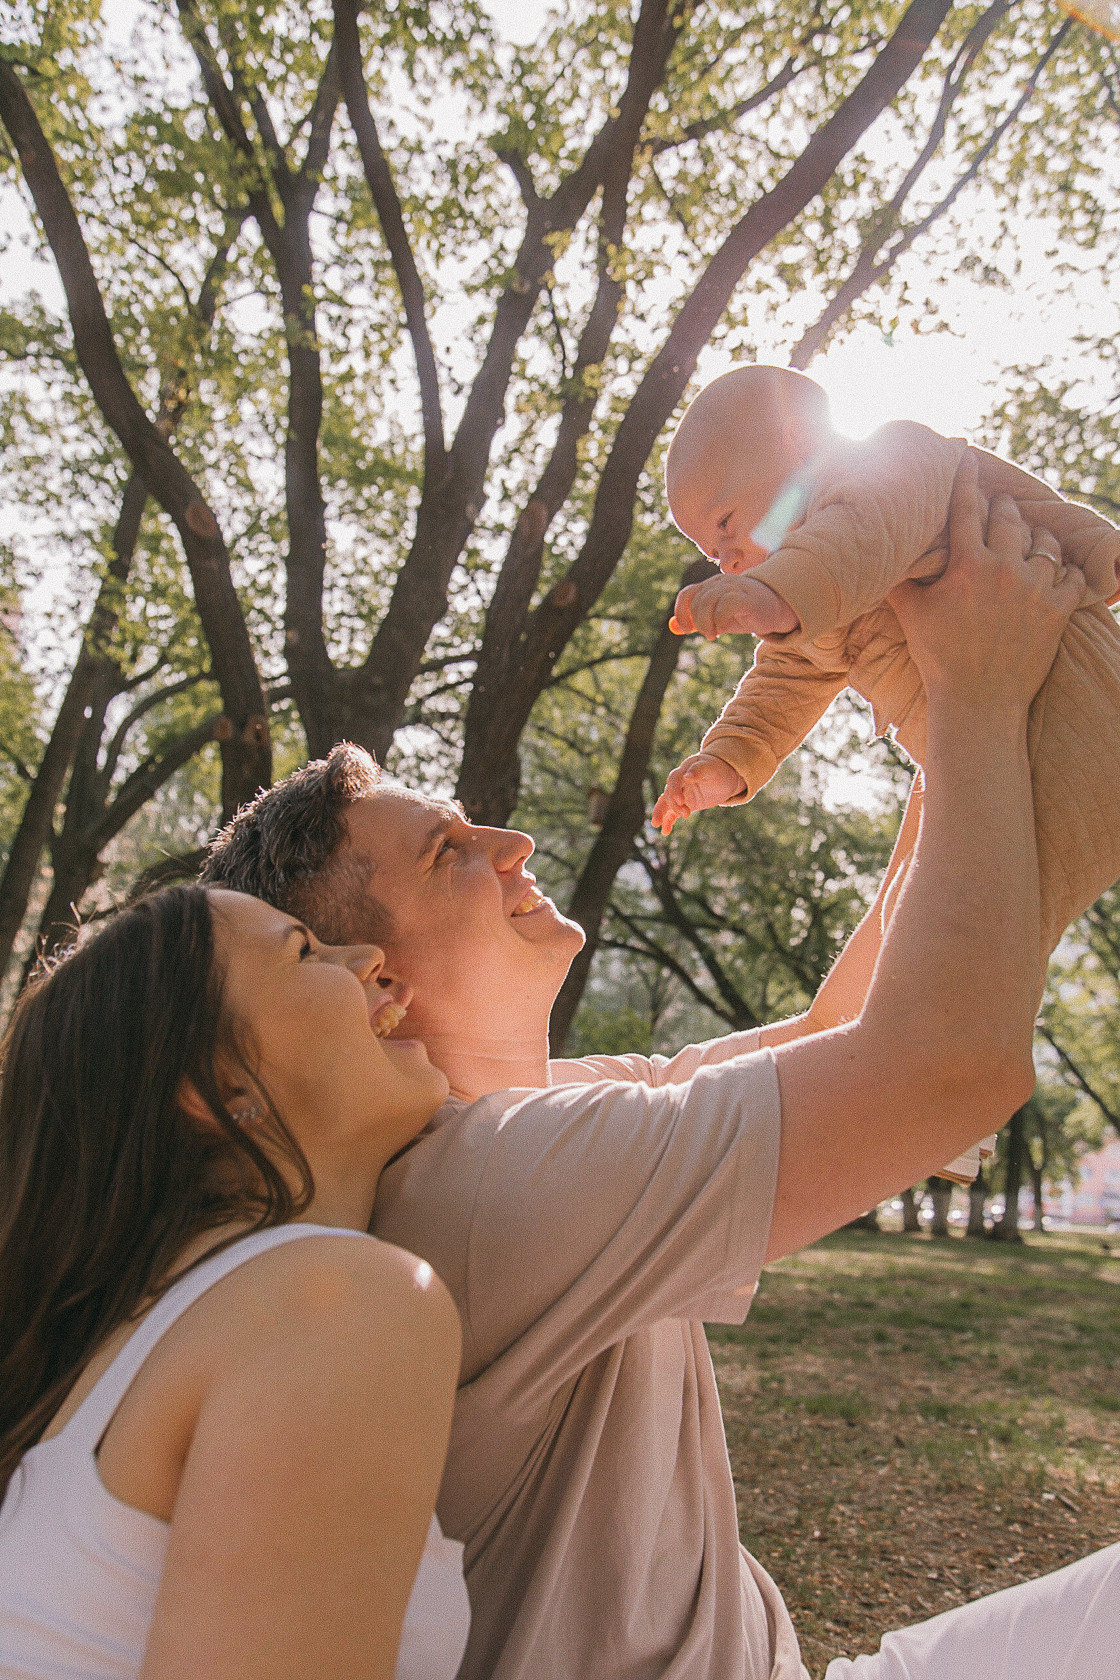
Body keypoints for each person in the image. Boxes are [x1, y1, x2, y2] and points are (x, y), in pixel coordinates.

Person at [201, 472, 1120, 1678]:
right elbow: (942, 1068)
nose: (513, 842)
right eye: (449, 851)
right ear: (377, 987)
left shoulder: (547, 1112)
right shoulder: (490, 1186)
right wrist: (979, 686)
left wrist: (949, 738)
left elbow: (848, 1024)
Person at [0, 884, 471, 1680]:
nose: (369, 958)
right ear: (220, 1091)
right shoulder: (334, 1300)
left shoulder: (124, 1340)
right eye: (304, 951)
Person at [652, 365, 1120, 961]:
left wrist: (1099, 550)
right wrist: (724, 763)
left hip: (1084, 721)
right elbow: (778, 686)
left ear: (799, 439)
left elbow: (868, 531)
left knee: (946, 941)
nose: (727, 560)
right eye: (711, 553)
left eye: (726, 524)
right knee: (928, 946)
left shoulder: (893, 463)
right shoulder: (821, 608)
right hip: (999, 796)